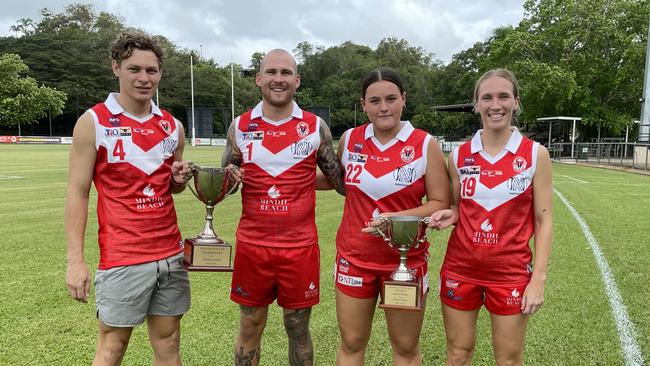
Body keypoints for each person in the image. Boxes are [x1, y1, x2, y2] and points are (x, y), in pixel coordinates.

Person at [64, 31, 193, 366]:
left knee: (169, 344)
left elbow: (172, 188)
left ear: (160, 73)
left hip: (170, 254)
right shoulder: (93, 122)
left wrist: (178, 180)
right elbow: (78, 193)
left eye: (151, 70)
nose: (143, 78)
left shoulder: (172, 126)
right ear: (116, 68)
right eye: (134, 69)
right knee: (112, 347)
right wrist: (75, 261)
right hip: (123, 256)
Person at [221, 48, 344, 366]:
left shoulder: (316, 128)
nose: (279, 79)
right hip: (253, 245)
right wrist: (226, 179)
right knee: (250, 326)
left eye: (286, 73)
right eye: (272, 72)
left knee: (298, 328)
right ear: (259, 79)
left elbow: (340, 182)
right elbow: (224, 186)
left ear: (297, 81)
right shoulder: (240, 127)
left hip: (299, 247)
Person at [428, 68, 553, 366]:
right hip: (461, 269)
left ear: (516, 102)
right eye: (487, 97)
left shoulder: (536, 154)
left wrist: (538, 280)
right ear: (476, 104)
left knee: (508, 359)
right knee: (458, 354)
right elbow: (459, 207)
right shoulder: (459, 156)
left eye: (503, 96)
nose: (495, 104)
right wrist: (451, 214)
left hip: (510, 273)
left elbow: (544, 220)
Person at [328, 67, 450, 365]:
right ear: (363, 105)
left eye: (391, 99)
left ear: (403, 100)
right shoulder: (349, 139)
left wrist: (394, 219)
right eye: (375, 101)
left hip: (405, 262)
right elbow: (333, 180)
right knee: (352, 343)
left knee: (406, 348)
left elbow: (439, 202)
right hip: (354, 258)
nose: (383, 107)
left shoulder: (424, 144)